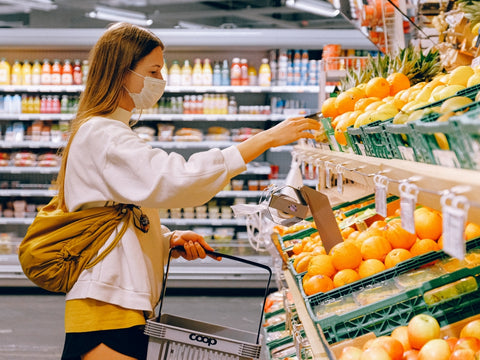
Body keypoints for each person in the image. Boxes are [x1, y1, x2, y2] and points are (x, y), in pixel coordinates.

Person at [58, 22, 319, 360]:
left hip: (120, 302)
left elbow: (118, 217)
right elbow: (176, 179)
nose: (160, 80)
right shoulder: (104, 135)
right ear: (123, 74)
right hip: (106, 306)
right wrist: (265, 139)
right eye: (153, 70)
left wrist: (166, 240)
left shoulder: (111, 130)